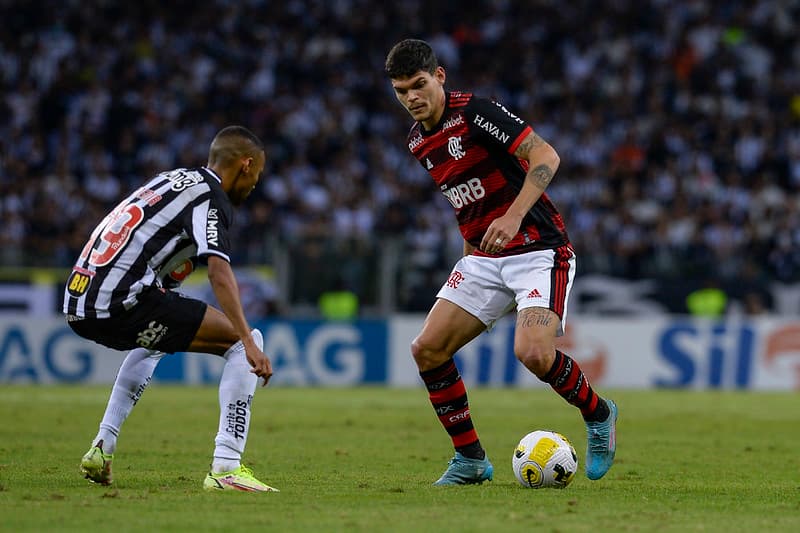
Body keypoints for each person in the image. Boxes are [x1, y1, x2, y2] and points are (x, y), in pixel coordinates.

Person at [384, 39, 617, 485]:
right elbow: (464, 199)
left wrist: (512, 217)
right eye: (401, 91)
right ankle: (470, 460)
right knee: (427, 350)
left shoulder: (475, 113)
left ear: (439, 77)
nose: (411, 97)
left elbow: (546, 156)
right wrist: (468, 254)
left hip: (537, 246)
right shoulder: (417, 141)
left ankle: (600, 414)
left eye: (418, 85)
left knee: (532, 352)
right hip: (484, 257)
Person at [63, 125, 278, 492]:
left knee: (157, 339)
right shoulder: (211, 197)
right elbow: (218, 270)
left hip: (79, 300)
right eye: (257, 173)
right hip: (120, 297)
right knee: (244, 343)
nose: (256, 183)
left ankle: (102, 446)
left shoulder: (172, 181)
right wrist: (247, 338)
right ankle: (226, 466)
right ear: (246, 164)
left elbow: (162, 259)